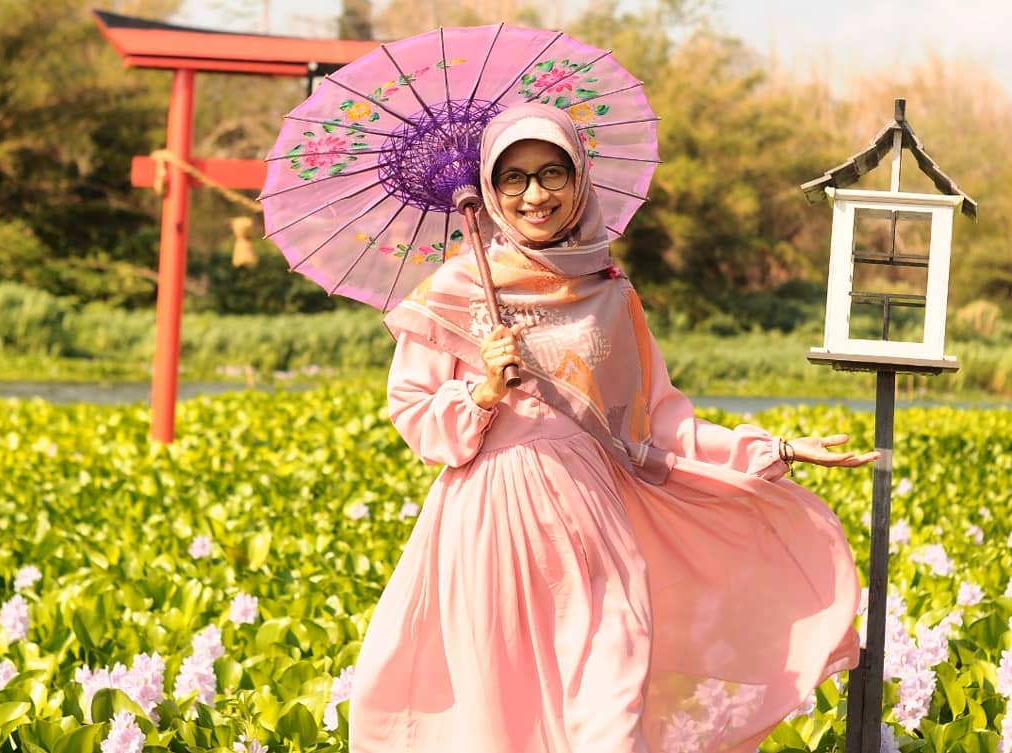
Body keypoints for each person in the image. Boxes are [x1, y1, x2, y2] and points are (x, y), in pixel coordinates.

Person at [348, 103, 879, 753]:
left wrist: (770, 448)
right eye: (512, 178)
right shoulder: (455, 291)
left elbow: (660, 422)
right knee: (503, 720)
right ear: (489, 188)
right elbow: (413, 412)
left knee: (611, 709)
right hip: (490, 532)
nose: (534, 194)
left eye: (552, 172)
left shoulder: (611, 292)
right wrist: (483, 390)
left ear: (581, 179)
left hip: (596, 534)